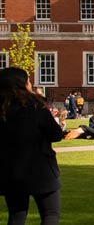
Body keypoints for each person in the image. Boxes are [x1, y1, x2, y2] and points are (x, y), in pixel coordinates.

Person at [2, 67, 65, 225]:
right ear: (23, 84)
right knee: (50, 214)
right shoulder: (35, 106)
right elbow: (56, 135)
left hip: (11, 170)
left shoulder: (2, 109)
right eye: (28, 80)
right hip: (40, 169)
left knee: (16, 216)